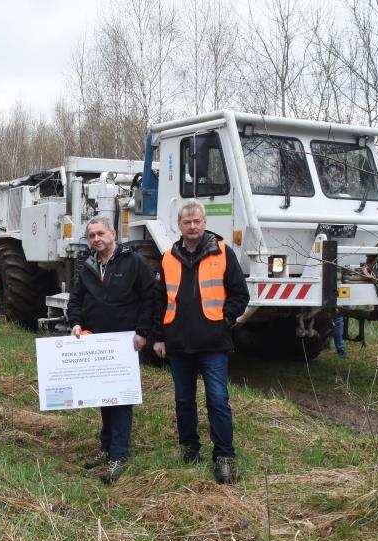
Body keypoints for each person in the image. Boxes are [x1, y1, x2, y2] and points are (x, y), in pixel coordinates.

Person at [153, 200, 249, 485]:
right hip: (178, 343)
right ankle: (189, 449)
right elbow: (160, 300)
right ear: (179, 226)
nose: (192, 226)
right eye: (187, 222)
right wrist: (159, 337)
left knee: (218, 400)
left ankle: (224, 457)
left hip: (213, 344)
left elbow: (239, 296)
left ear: (204, 223)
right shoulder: (168, 257)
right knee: (184, 401)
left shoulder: (223, 253)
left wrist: (224, 320)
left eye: (197, 221)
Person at [67, 216, 157, 485]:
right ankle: (106, 449)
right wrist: (76, 323)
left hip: (125, 344)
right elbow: (76, 299)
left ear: (113, 233)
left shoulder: (134, 261)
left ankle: (120, 454)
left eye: (101, 233)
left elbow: (150, 297)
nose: (96, 239)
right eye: (92, 235)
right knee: (103, 397)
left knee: (121, 399)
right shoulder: (87, 265)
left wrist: (143, 332)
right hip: (97, 342)